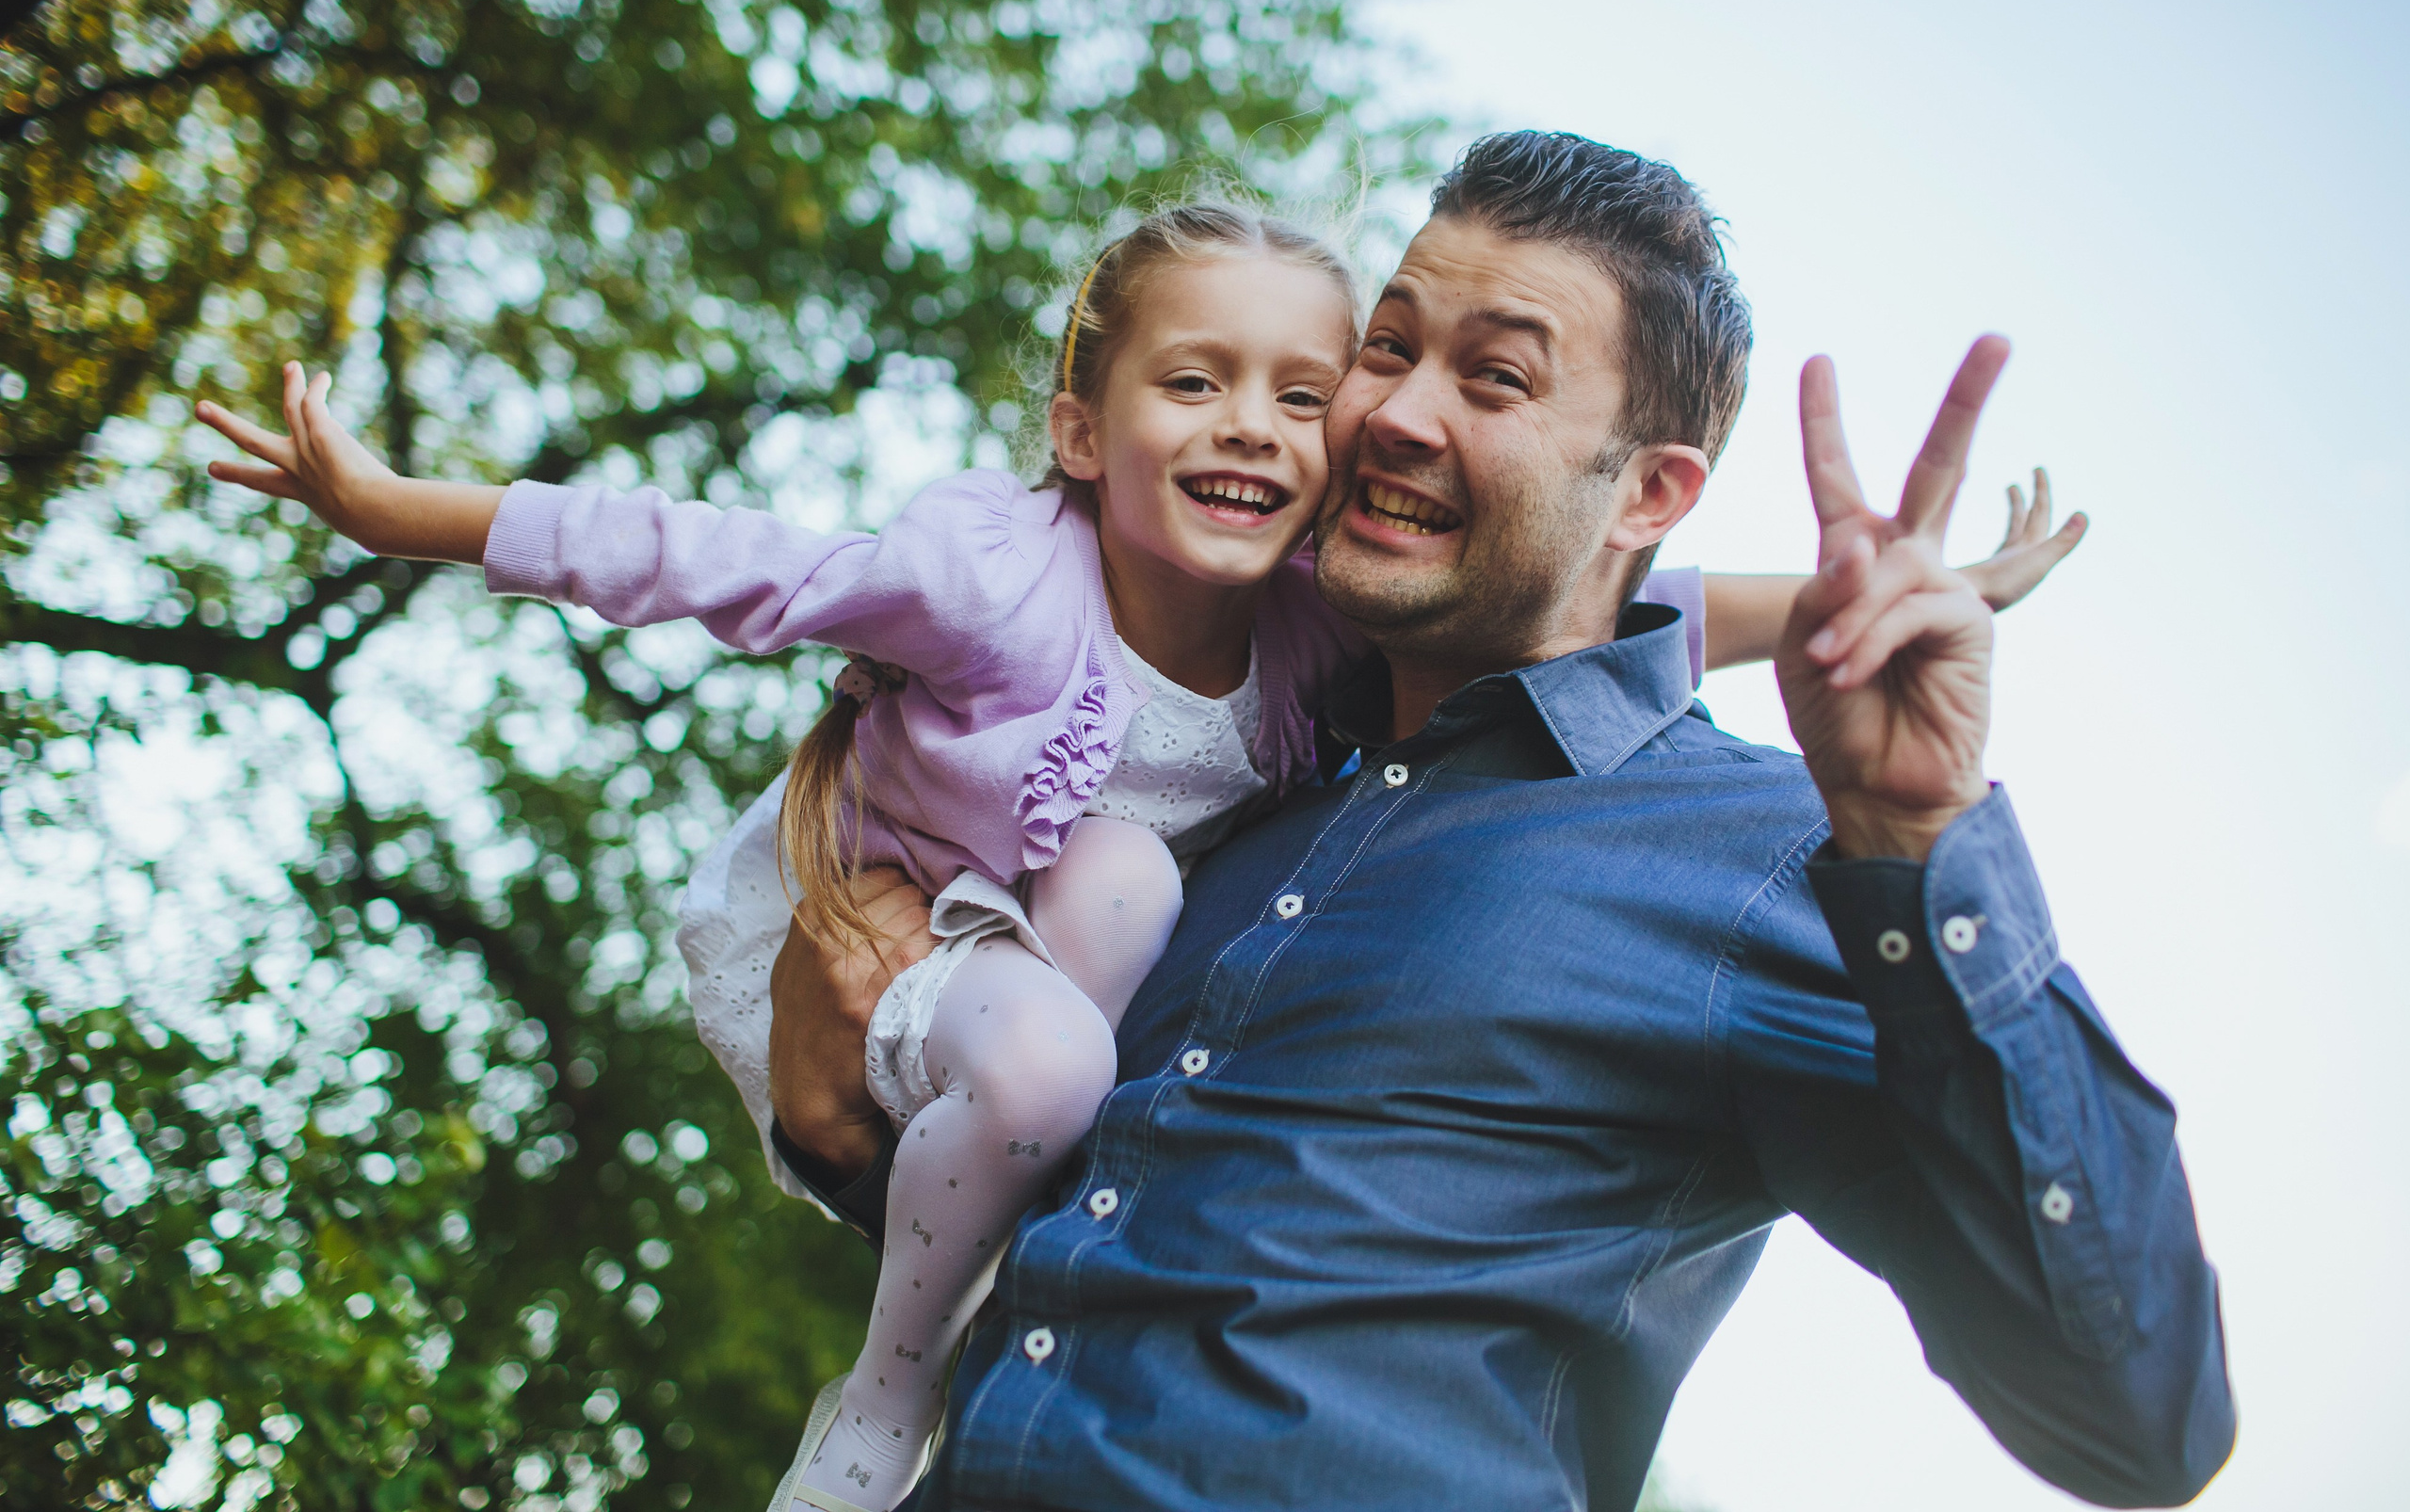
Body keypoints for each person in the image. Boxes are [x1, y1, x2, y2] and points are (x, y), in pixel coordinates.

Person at [196, 185, 2081, 1512]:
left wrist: (1882, 612)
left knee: (1121, 890)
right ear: (1080, 428)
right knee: (1085, 978)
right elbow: (702, 556)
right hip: (916, 943)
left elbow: (1643, 595)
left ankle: (934, 1295)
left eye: (1306, 389)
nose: (1278, 424)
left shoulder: (1349, 659)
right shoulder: (1015, 595)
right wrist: (401, 508)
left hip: (1045, 965)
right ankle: (885, 1385)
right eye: (1207, 381)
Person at [764, 133, 2235, 1512]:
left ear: (1647, 496)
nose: (1396, 415)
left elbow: (2140, 1414)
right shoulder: (1220, 809)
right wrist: (837, 1117)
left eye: (1496, 379)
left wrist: (1920, 843)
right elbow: (1076, 1237)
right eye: (1389, 347)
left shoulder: (1769, 859)